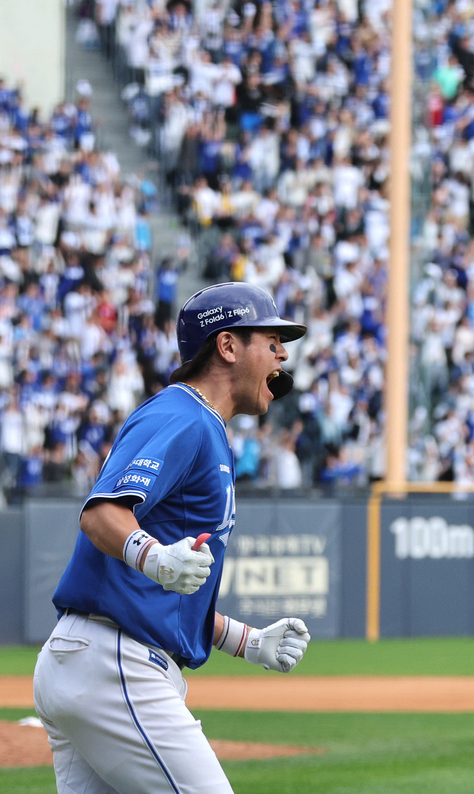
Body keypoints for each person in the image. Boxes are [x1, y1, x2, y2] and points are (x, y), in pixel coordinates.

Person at [34, 282, 311, 793]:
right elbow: (100, 515)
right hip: (116, 665)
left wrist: (245, 642)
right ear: (227, 346)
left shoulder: (204, 426)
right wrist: (155, 557)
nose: (283, 354)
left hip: (97, 659)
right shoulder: (182, 415)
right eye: (271, 341)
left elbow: (163, 587)